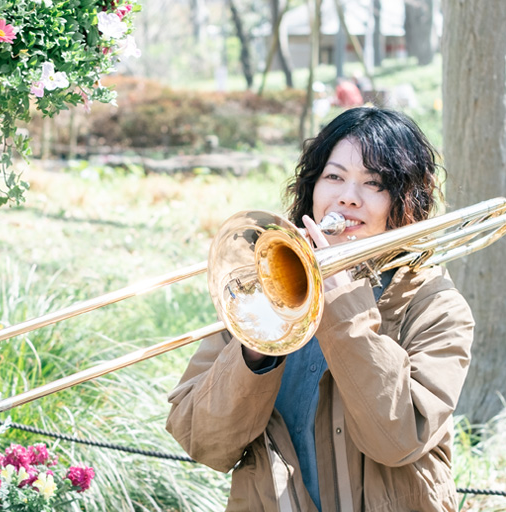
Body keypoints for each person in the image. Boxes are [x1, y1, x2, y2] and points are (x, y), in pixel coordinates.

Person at [166, 106, 474, 512]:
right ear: (312, 187)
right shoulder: (264, 285)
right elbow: (202, 443)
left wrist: (345, 309)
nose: (348, 197)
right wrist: (253, 352)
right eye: (334, 177)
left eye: (374, 183)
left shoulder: (438, 306)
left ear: (406, 199)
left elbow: (398, 440)